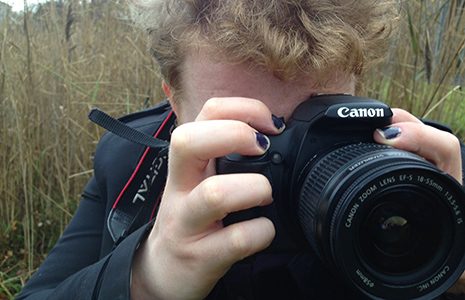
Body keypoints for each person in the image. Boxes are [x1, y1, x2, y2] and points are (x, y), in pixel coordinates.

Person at [17, 0, 465, 299]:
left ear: (358, 92)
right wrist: (145, 279)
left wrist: (445, 261)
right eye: (249, 131)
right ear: (174, 102)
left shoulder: (427, 173)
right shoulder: (128, 162)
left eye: (322, 115)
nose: (285, 155)